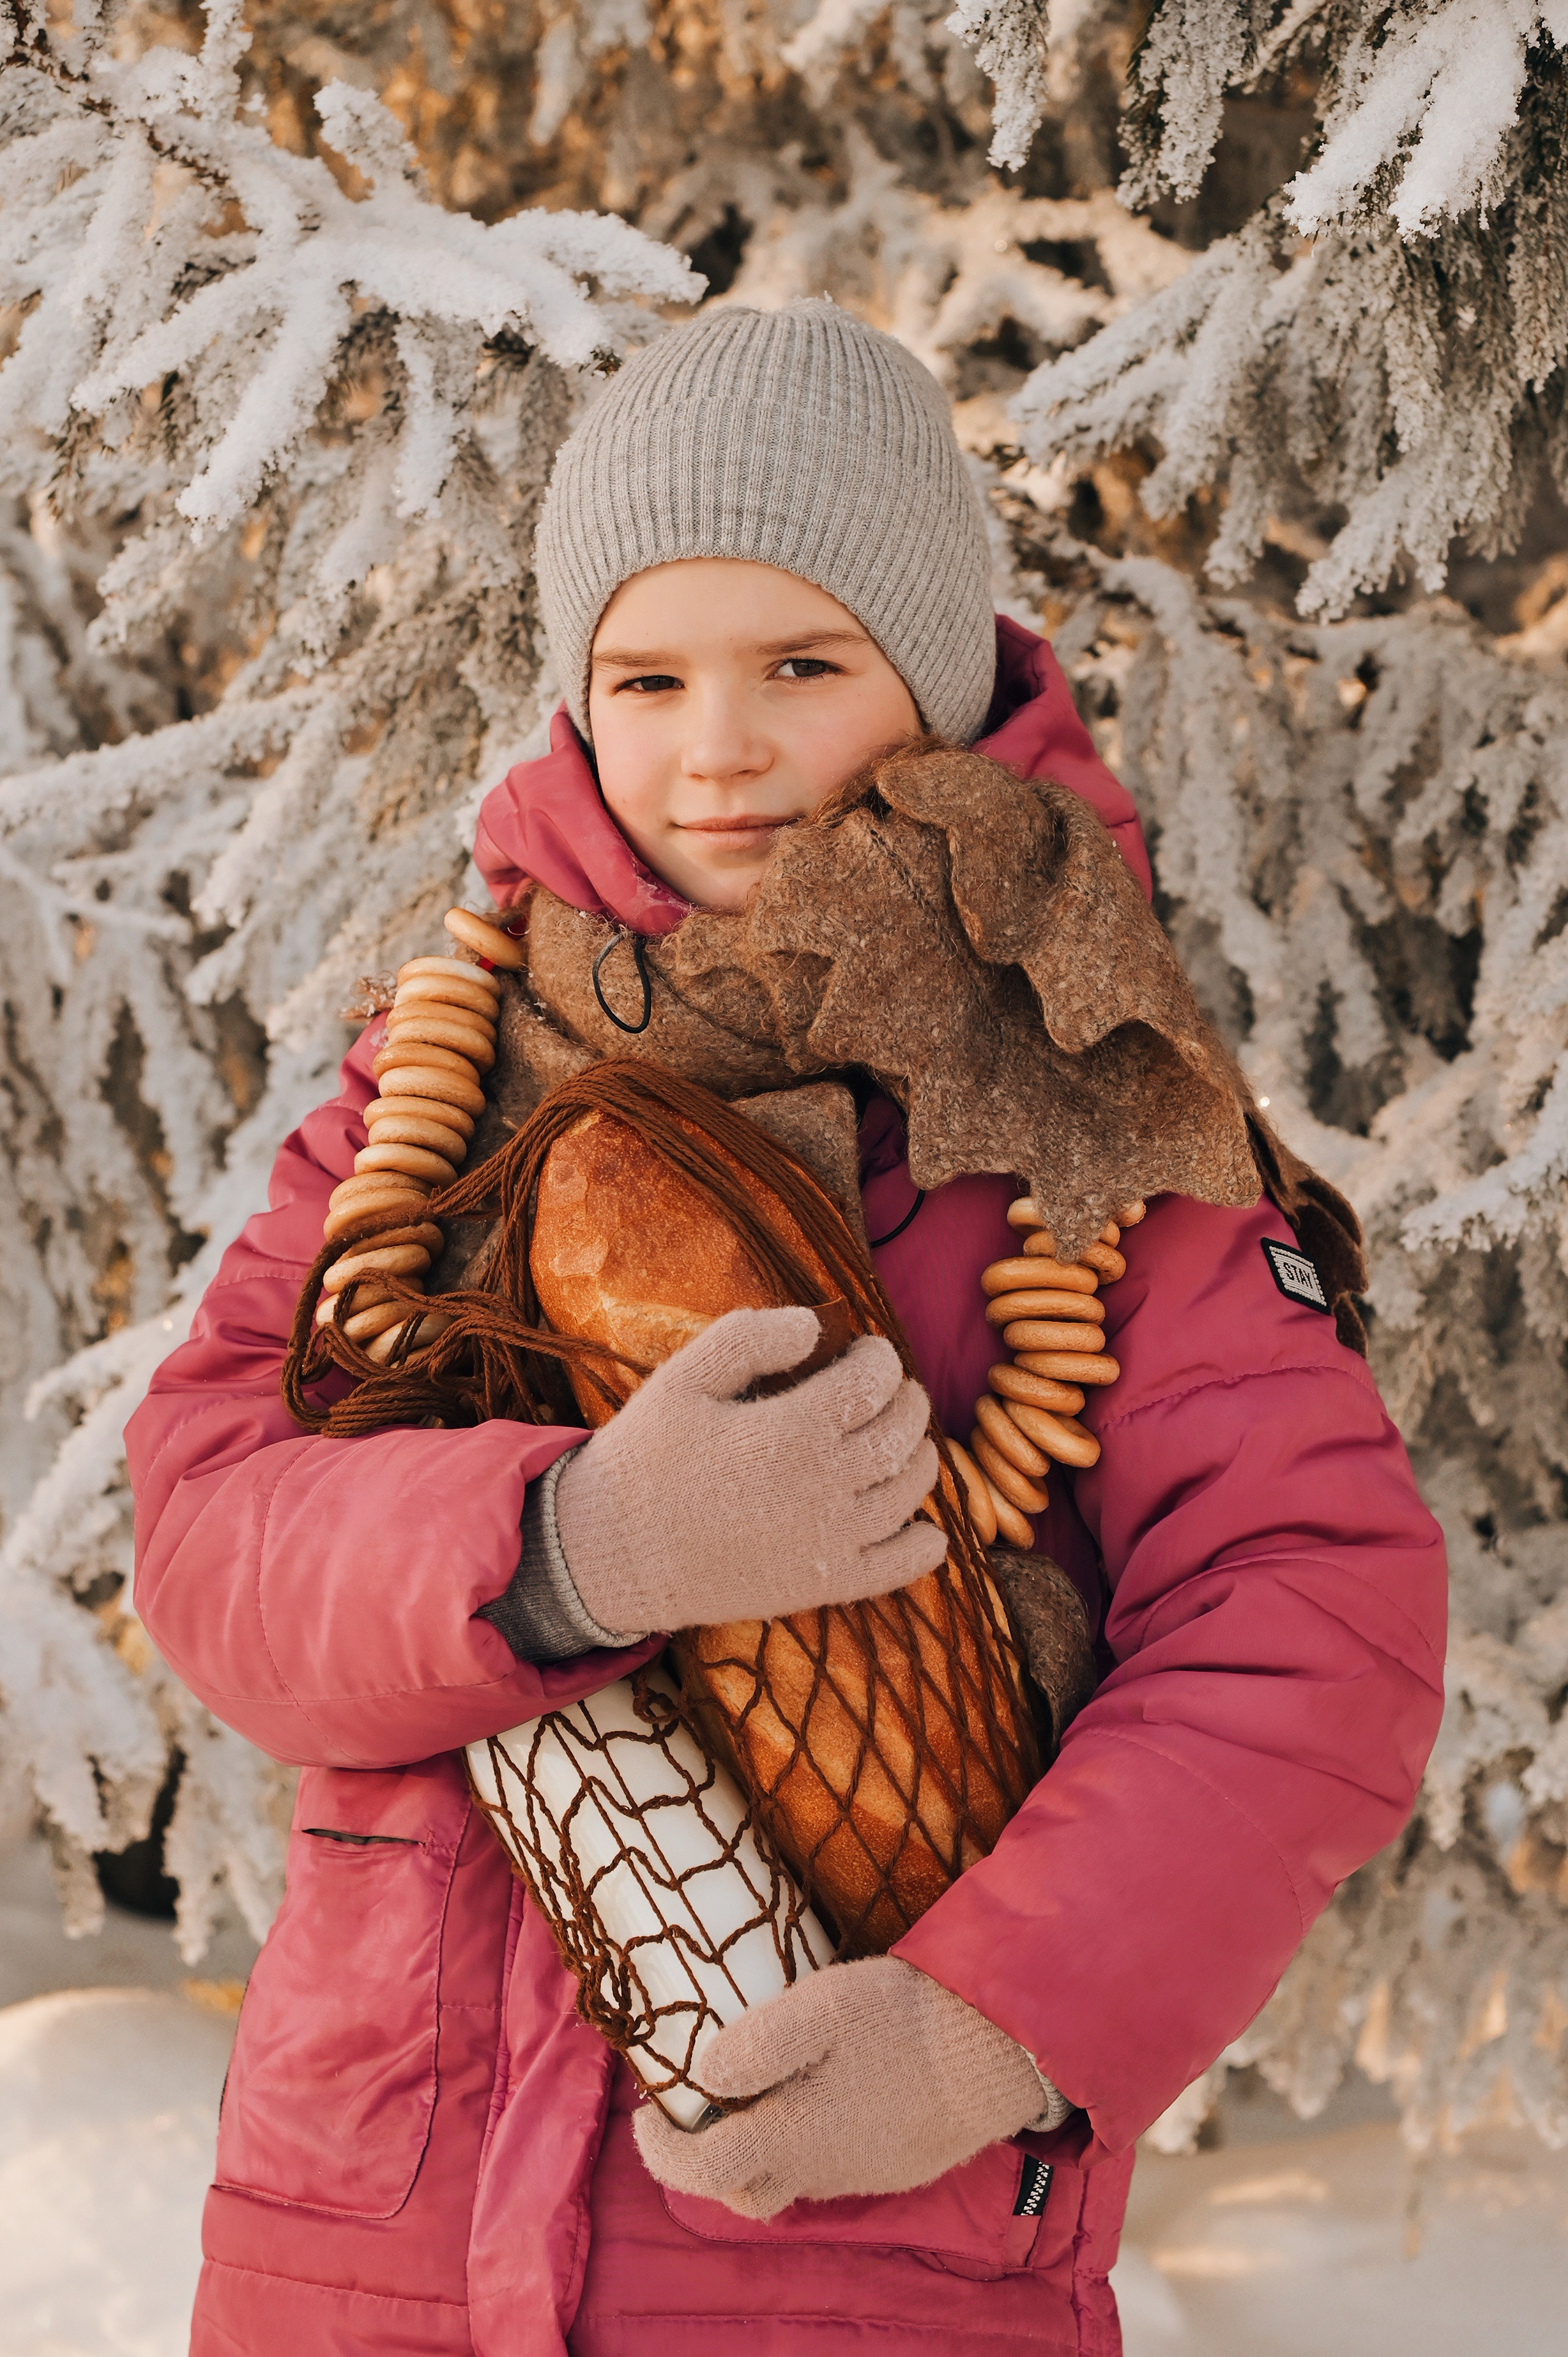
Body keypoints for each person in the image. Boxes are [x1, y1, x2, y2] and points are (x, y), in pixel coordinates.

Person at [126, 301, 1447, 2356]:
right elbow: (214, 1533)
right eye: (647, 678)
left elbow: (1318, 1620)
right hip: (368, 2242)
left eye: (801, 667)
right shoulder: (436, 1091)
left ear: (921, 680)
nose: (714, 745)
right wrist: (573, 1550)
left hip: (865, 2255)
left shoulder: (1094, 1106)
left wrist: (994, 2022)